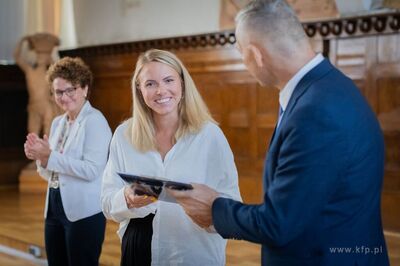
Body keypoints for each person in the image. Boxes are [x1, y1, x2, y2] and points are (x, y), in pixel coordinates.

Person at [168, 1, 390, 265]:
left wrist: (215, 208)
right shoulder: (334, 85)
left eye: (241, 53)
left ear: (256, 54)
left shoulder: (315, 113)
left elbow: (278, 223)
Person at [101, 49, 241, 266]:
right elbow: (107, 203)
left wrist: (206, 212)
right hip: (138, 247)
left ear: (182, 85)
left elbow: (232, 203)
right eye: (150, 84)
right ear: (139, 89)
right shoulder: (123, 135)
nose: (161, 90)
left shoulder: (210, 136)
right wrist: (126, 198)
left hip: (193, 250)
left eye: (168, 80)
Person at [24, 57, 112, 266]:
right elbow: (50, 173)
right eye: (58, 92)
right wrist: (41, 158)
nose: (64, 97)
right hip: (54, 206)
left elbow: (92, 170)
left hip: (85, 211)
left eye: (70, 90)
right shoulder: (57, 123)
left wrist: (49, 157)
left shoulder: (95, 121)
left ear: (84, 88)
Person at [14, 33, 61, 136]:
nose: (40, 57)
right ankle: (34, 151)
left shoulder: (50, 73)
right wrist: (22, 41)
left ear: (48, 58)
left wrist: (50, 55)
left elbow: (59, 69)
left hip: (46, 105)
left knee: (48, 133)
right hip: (33, 105)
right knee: (32, 133)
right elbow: (17, 57)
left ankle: (47, 151)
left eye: (43, 56)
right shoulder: (30, 71)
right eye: (38, 55)